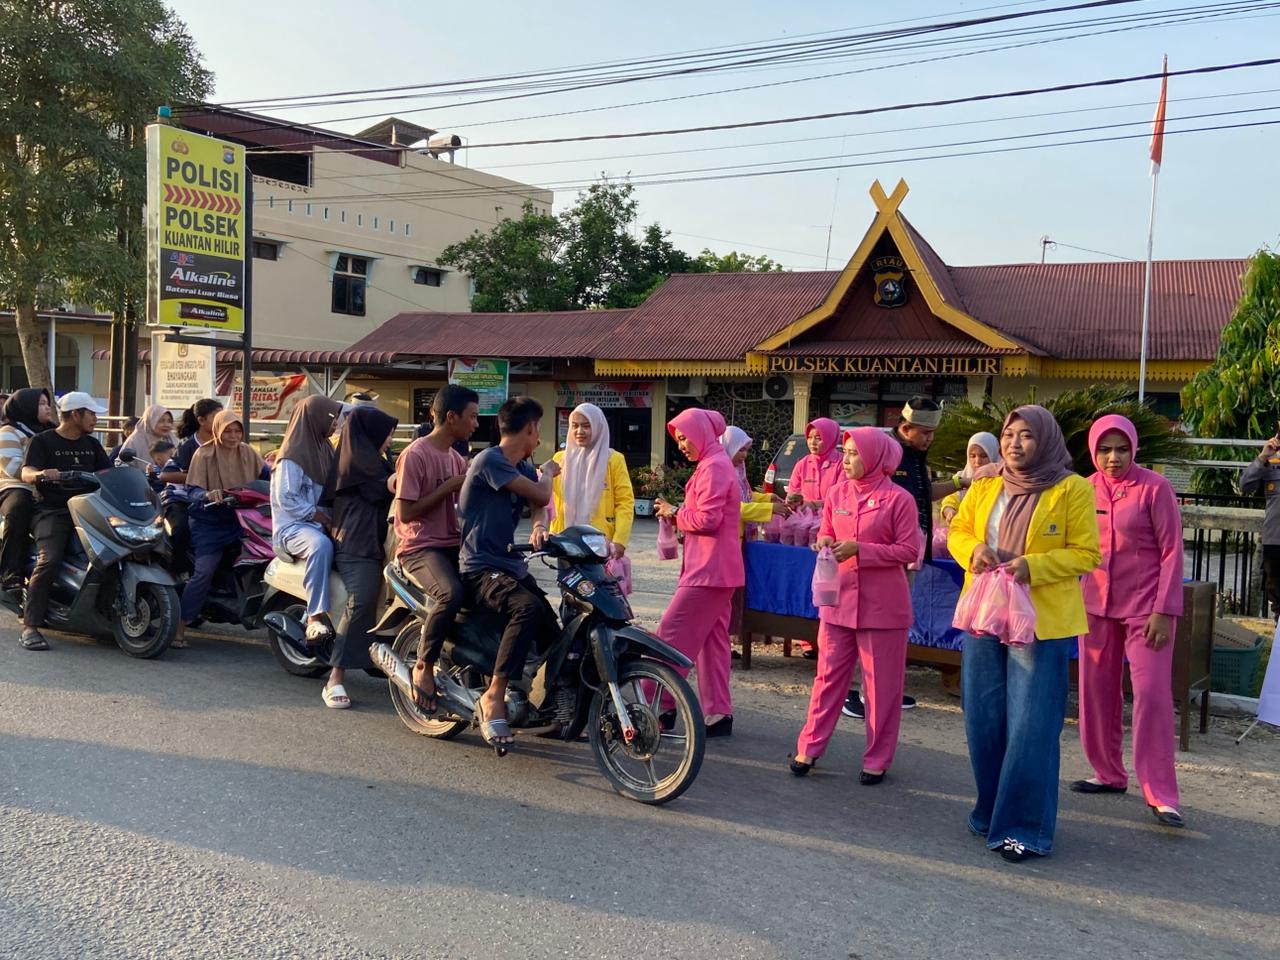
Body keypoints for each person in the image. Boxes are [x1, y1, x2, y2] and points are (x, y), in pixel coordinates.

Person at [947, 405, 1100, 862]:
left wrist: (1033, 566)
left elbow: (1086, 553)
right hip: (986, 614)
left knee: (1031, 725)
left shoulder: (1071, 488)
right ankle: (991, 809)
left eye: (1027, 436)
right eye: (1009, 434)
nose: (1015, 444)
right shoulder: (986, 484)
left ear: (1046, 440)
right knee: (983, 716)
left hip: (1041, 621)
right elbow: (958, 528)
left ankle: (1024, 828)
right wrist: (973, 551)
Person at [792, 428, 923, 783]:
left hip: (883, 609)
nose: (846, 460)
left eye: (853, 453)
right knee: (827, 679)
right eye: (845, 452)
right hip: (839, 601)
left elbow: (909, 551)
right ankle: (809, 747)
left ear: (876, 458)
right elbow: (828, 531)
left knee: (880, 688)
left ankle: (877, 758)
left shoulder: (899, 500)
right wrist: (823, 542)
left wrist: (861, 550)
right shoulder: (837, 493)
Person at [1074, 414, 1186, 828]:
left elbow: (1172, 551)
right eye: (1105, 449)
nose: (1113, 457)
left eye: (1121, 449)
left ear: (1134, 449)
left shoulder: (1155, 488)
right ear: (1093, 450)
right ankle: (1107, 772)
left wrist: (1163, 610)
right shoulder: (1083, 490)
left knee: (1153, 696)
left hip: (1147, 609)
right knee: (1095, 691)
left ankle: (1160, 792)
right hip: (1095, 606)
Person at [844, 397, 958, 718]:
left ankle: (879, 690)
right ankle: (859, 692)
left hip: (907, 549)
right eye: (924, 433)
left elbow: (922, 494)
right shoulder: (887, 456)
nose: (930, 439)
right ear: (905, 428)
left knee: (893, 625)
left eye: (933, 433)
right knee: (876, 626)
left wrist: (961, 482)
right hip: (888, 553)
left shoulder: (917, 456)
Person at [457, 396, 560, 748]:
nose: (538, 438)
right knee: (526, 608)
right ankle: (494, 695)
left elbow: (537, 507)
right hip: (480, 567)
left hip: (510, 565)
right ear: (529, 429)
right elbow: (542, 493)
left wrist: (536, 527)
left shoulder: (522, 467)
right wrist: (547, 473)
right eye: (538, 431)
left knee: (553, 628)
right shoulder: (492, 461)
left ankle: (551, 706)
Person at [653, 408, 743, 737]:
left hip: (708, 571)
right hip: (716, 569)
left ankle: (657, 703)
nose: (681, 446)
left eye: (684, 438)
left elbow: (707, 520)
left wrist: (675, 512)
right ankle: (718, 714)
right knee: (712, 642)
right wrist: (679, 517)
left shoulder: (714, 466)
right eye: (678, 441)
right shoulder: (714, 463)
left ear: (702, 433)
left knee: (671, 635)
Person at [396, 385, 480, 714]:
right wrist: (448, 488)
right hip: (421, 547)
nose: (475, 424)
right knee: (450, 595)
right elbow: (404, 513)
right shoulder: (416, 454)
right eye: (471, 417)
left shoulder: (456, 457)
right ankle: (424, 665)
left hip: (451, 543)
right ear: (451, 417)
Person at [17, 392, 112, 651]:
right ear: (74, 414)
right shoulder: (43, 441)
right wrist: (39, 474)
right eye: (91, 413)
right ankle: (30, 626)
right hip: (54, 510)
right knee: (50, 560)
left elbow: (109, 474)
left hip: (91, 510)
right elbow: (25, 472)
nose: (95, 418)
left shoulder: (92, 445)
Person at [324, 405, 398, 709]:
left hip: (381, 544)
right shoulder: (355, 463)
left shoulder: (378, 461)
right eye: (387, 435)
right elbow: (386, 488)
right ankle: (335, 677)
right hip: (357, 545)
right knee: (363, 598)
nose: (391, 441)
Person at [176, 411, 268, 648]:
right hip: (210, 521)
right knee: (204, 572)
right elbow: (192, 491)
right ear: (217, 430)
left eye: (237, 431)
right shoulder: (203, 453)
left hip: (244, 519)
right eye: (227, 430)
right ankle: (179, 626)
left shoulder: (248, 452)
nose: (233, 436)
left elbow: (268, 476)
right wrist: (208, 494)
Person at [271, 395, 343, 643]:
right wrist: (320, 516)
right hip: (294, 527)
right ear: (314, 419)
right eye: (331, 418)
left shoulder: (325, 448)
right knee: (320, 546)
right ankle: (315, 616)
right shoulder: (293, 455)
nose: (334, 424)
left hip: (320, 523)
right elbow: (286, 498)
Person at [550, 403, 634, 553]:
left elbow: (624, 503)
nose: (579, 431)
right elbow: (548, 500)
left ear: (598, 427)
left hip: (600, 543)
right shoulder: (559, 460)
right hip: (565, 540)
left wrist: (620, 540)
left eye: (586, 426)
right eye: (574, 426)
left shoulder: (613, 460)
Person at [159, 399, 223, 576]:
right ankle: (176, 573)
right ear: (202, 420)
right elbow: (166, 474)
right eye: (217, 417)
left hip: (211, 499)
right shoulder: (188, 445)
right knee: (181, 530)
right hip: (181, 499)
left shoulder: (226, 442)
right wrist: (199, 476)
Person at [0, 388, 54, 593]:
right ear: (27, 406)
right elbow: (12, 468)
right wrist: (40, 473)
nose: (48, 407)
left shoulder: (53, 430)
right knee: (19, 508)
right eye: (41, 403)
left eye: (48, 403)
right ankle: (10, 572)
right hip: (15, 486)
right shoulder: (9, 432)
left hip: (50, 486)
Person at [1240, 429, 1280, 617]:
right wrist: (1263, 456)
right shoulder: (1271, 463)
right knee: (1278, 602)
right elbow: (1245, 486)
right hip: (1275, 542)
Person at [941, 432, 1001, 524]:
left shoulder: (1002, 480)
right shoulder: (961, 477)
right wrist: (949, 511)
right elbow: (950, 501)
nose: (977, 461)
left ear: (993, 454)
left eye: (983, 456)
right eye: (972, 456)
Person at [786, 418, 842, 508]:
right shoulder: (802, 465)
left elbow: (841, 498)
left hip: (833, 518)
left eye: (818, 438)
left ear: (830, 438)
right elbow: (792, 493)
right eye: (809, 437)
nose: (812, 442)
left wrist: (814, 505)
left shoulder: (842, 464)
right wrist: (793, 501)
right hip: (804, 518)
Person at [119, 405, 175, 471]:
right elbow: (123, 466)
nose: (166, 425)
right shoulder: (135, 440)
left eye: (169, 421)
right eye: (161, 421)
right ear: (150, 420)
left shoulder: (172, 439)